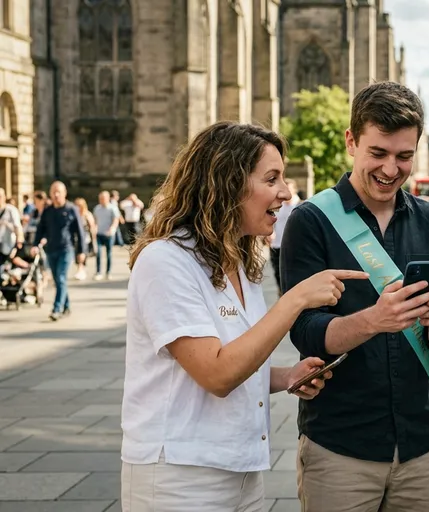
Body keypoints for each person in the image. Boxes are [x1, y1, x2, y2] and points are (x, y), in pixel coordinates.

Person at [120, 121, 368, 511]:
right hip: (179, 477)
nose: (286, 193)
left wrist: (287, 377)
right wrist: (294, 300)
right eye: (272, 179)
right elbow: (216, 374)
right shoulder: (166, 261)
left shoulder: (239, 259)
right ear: (226, 184)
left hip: (241, 470)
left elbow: (234, 358)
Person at [280, 81, 429, 512]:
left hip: (421, 444)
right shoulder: (310, 221)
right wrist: (374, 319)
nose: (390, 169)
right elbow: (304, 332)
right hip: (341, 445)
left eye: (404, 156)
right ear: (351, 142)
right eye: (378, 153)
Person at [32, 181, 86, 321]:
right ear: (50, 194)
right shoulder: (48, 211)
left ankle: (57, 309)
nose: (56, 195)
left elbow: (80, 232)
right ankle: (66, 305)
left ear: (64, 193)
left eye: (58, 192)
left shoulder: (71, 209)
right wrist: (35, 244)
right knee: (58, 280)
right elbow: (40, 229)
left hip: (66, 249)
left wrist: (81, 251)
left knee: (61, 278)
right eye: (53, 192)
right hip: (51, 249)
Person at [268, 179, 300, 293]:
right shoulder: (278, 206)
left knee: (293, 276)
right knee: (278, 275)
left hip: (294, 247)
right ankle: (282, 297)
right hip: (276, 245)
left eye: (289, 189)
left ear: (294, 190)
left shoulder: (301, 205)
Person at [93, 191, 121, 280]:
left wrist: (112, 229)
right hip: (99, 233)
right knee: (98, 253)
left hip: (109, 234)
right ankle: (98, 272)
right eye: (100, 199)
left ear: (108, 198)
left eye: (103, 198)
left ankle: (108, 272)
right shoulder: (97, 208)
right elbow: (96, 220)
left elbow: (116, 220)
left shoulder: (113, 208)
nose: (101, 200)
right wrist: (95, 228)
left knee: (109, 253)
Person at [72, 197, 96, 281]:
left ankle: (81, 270)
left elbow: (92, 227)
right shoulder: (74, 215)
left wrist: (94, 239)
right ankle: (80, 269)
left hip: (85, 238)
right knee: (76, 254)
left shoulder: (87, 214)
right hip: (75, 238)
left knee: (82, 254)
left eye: (79, 205)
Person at [0, 187, 23, 266]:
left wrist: (19, 241)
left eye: (0, 196)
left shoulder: (11, 210)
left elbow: (18, 227)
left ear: (4, 197)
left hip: (8, 244)